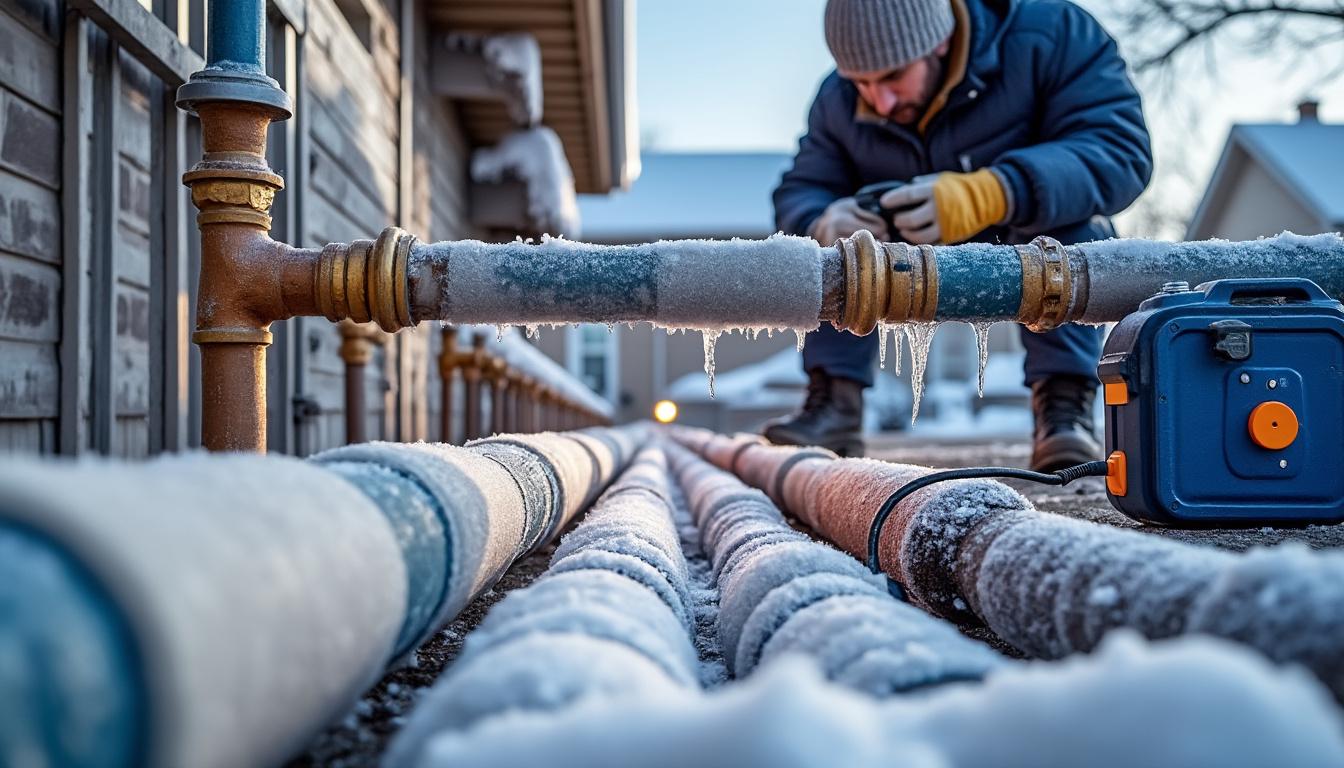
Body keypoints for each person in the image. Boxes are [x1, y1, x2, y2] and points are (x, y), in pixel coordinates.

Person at [765, 0, 1152, 470]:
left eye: (892, 77)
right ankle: (834, 402)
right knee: (833, 253)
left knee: (1072, 223)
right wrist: (821, 219)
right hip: (899, 241)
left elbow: (1120, 150)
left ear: (940, 41)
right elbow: (802, 188)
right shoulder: (837, 99)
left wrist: (997, 191)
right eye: (860, 83)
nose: (878, 100)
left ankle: (1063, 407)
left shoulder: (1053, 36)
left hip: (1029, 222)